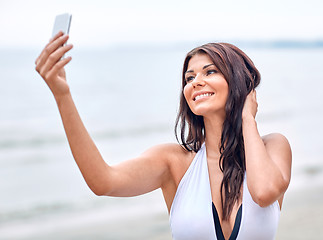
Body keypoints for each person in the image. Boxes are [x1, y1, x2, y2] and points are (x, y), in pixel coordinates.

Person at [35, 32, 292, 240]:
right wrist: (62, 96)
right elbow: (103, 182)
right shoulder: (173, 162)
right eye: (189, 78)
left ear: (238, 82)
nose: (195, 82)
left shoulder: (273, 147)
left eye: (210, 71)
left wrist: (248, 117)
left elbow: (264, 192)